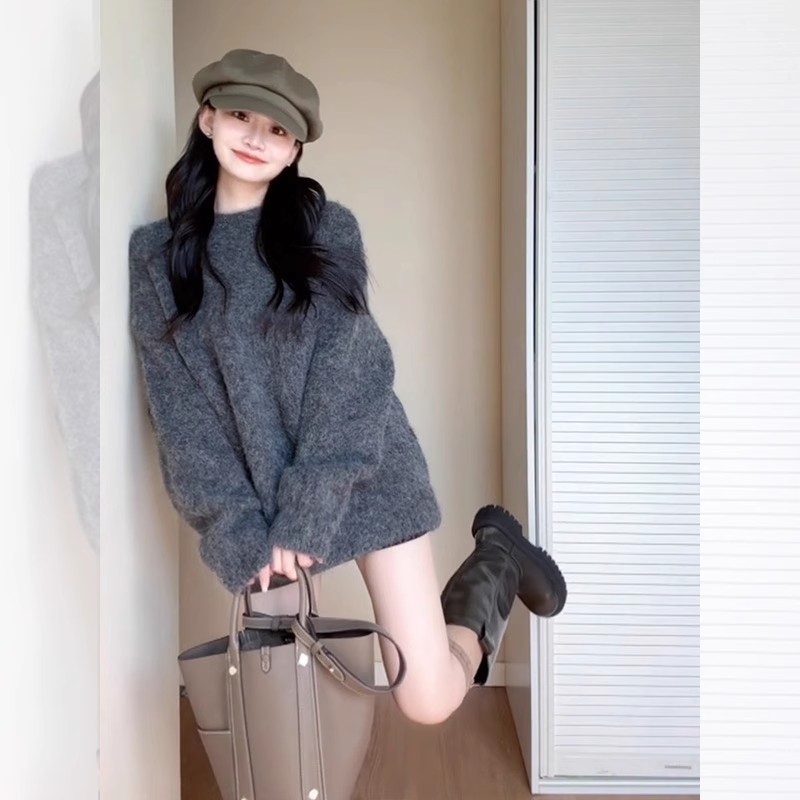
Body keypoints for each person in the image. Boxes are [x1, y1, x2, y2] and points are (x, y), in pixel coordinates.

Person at [129, 48, 567, 727]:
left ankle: (496, 564)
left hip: (361, 471)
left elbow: (354, 380)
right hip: (257, 509)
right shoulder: (156, 258)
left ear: (295, 148)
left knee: (426, 699)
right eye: (242, 116)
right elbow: (181, 417)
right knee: (281, 706)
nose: (256, 138)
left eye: (278, 129)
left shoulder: (326, 232)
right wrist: (234, 529)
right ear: (208, 118)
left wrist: (309, 509)